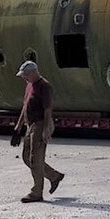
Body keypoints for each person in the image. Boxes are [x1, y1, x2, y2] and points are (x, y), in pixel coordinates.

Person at [15, 61, 65, 203]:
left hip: (40, 124)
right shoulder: (29, 85)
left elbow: (48, 110)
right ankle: (54, 176)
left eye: (25, 75)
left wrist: (47, 129)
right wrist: (18, 127)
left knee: (35, 159)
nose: (24, 78)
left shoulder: (44, 86)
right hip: (30, 125)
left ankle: (36, 192)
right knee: (26, 157)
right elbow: (25, 106)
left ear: (33, 72)